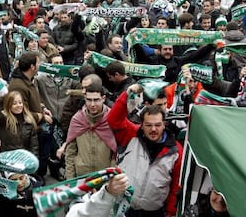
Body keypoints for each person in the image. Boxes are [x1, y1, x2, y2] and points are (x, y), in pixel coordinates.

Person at [108, 83, 183, 217]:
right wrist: (127, 93)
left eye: (157, 125)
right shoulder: (130, 134)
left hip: (155, 213)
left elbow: (176, 185)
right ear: (141, 125)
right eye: (148, 125)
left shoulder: (176, 150)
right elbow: (113, 120)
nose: (153, 129)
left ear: (164, 124)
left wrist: (171, 212)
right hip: (125, 207)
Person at [65, 83, 116, 179]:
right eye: (89, 100)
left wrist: (112, 173)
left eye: (96, 100)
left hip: (105, 176)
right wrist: (70, 180)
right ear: (84, 99)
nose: (92, 104)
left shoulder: (112, 119)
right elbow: (70, 152)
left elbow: (117, 152)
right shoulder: (77, 119)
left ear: (103, 98)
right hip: (82, 176)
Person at [0, 91, 39, 155]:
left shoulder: (29, 121)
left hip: (25, 159)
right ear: (9, 105)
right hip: (8, 158)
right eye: (14, 103)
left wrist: (33, 161)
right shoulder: (4, 120)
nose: (18, 105)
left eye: (20, 102)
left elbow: (34, 147)